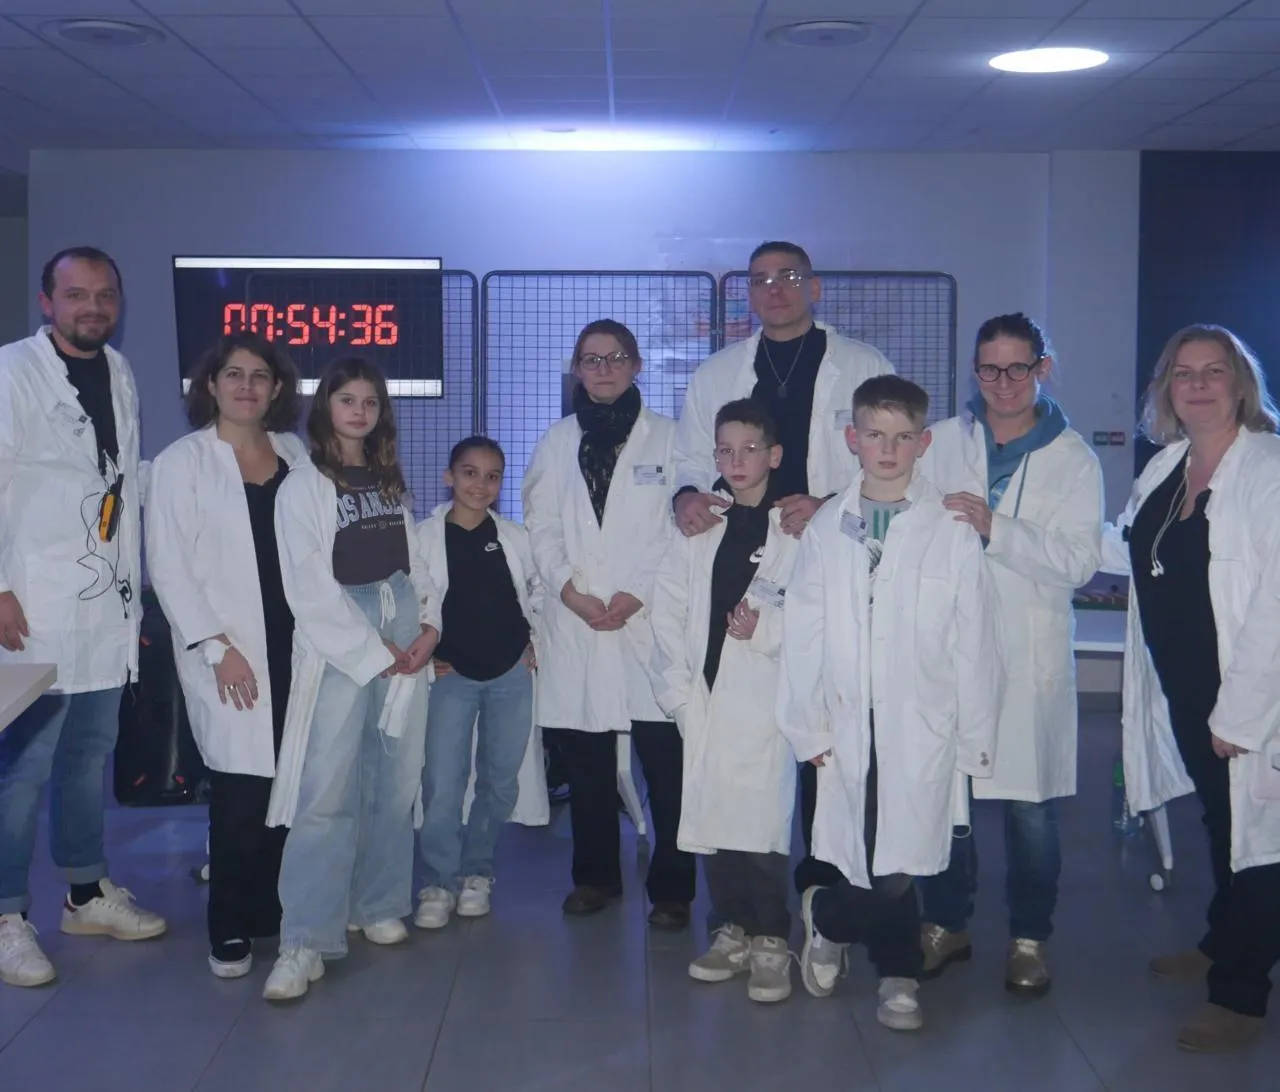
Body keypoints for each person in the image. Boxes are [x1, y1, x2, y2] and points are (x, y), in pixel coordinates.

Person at [778, 375, 1002, 1032]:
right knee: (871, 845)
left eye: (903, 437)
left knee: (902, 856)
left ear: (923, 444)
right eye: (874, 434)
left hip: (921, 720)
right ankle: (897, 967)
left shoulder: (951, 529)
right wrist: (806, 723)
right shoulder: (826, 527)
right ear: (852, 439)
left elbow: (975, 639)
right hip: (847, 717)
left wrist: (974, 734)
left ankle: (831, 920)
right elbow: (804, 632)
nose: (887, 448)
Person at [672, 240, 893, 895]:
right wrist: (684, 496)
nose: (775, 288)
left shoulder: (862, 366)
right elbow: (690, 461)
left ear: (814, 287)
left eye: (789, 276)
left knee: (827, 722)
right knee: (751, 725)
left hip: (834, 558)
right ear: (748, 292)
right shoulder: (718, 373)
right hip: (746, 554)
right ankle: (753, 895)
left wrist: (827, 505)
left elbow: (893, 464)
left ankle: (826, 883)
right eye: (761, 279)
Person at [1101, 325, 1280, 1053]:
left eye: (1214, 371)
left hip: (1254, 697)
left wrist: (1241, 714)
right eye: (1184, 373)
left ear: (1240, 384)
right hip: (1185, 685)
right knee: (1221, 821)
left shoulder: (1269, 471)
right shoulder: (1167, 467)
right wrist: (1006, 530)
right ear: (1166, 389)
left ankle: (1240, 994)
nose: (1198, 384)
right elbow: (1122, 546)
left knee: (1262, 839)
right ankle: (1221, 939)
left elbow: (1275, 605)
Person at [915, 314, 1103, 996]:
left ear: (1042, 368)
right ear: (975, 370)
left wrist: (998, 527)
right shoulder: (942, 442)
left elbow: (1079, 562)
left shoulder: (1073, 459)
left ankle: (1029, 939)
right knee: (948, 800)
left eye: (1017, 368)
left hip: (1027, 655)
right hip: (948, 648)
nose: (1002, 383)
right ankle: (946, 924)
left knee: (1031, 810)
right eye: (989, 369)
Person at [0, 247, 166, 989]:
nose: (92, 307)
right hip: (32, 604)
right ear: (47, 302)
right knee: (23, 767)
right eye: (76, 295)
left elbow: (117, 480)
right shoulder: (11, 373)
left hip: (103, 606)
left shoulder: (119, 372)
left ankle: (85, 891)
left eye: (104, 295)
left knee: (88, 755)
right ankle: (6, 914)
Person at [262, 357, 437, 1002]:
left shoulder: (390, 481)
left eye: (370, 402)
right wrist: (371, 647)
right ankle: (305, 937)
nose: (359, 412)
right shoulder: (302, 486)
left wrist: (429, 627)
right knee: (327, 789)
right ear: (326, 408)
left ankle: (378, 902)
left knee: (395, 779)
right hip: (341, 636)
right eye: (347, 400)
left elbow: (417, 565)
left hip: (401, 625)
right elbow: (307, 587)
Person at [523, 319, 695, 927]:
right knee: (588, 762)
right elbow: (540, 523)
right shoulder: (556, 441)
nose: (604, 369)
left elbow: (680, 525)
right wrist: (568, 589)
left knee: (665, 763)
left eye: (616, 357)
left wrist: (636, 592)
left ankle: (672, 889)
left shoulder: (671, 439)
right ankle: (595, 878)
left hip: (647, 619)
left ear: (637, 365)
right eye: (591, 360)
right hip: (577, 618)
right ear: (576, 369)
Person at [146, 333, 305, 979]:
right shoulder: (181, 462)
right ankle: (230, 925)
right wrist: (217, 648)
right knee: (241, 790)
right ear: (210, 385)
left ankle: (274, 912)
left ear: (276, 388)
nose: (246, 385)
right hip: (230, 649)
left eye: (259, 375)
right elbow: (168, 567)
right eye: (233, 374)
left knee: (290, 783)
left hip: (298, 641)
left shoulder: (295, 454)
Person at [650, 398, 800, 1003]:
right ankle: (730, 929)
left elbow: (813, 613)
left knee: (761, 826)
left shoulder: (795, 530)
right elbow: (667, 610)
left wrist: (765, 632)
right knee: (712, 820)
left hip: (764, 699)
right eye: (725, 450)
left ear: (775, 455)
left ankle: (771, 939)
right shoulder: (700, 525)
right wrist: (679, 695)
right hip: (704, 693)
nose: (737, 461)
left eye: (750, 449)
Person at [413, 436, 544, 930]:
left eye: (492, 476)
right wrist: (425, 656)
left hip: (511, 672)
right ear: (449, 477)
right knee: (442, 783)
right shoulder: (422, 538)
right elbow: (411, 600)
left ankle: (477, 872)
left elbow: (537, 591)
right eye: (470, 473)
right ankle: (439, 881)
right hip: (450, 675)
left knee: (499, 779)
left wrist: (535, 640)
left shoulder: (514, 536)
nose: (480, 485)